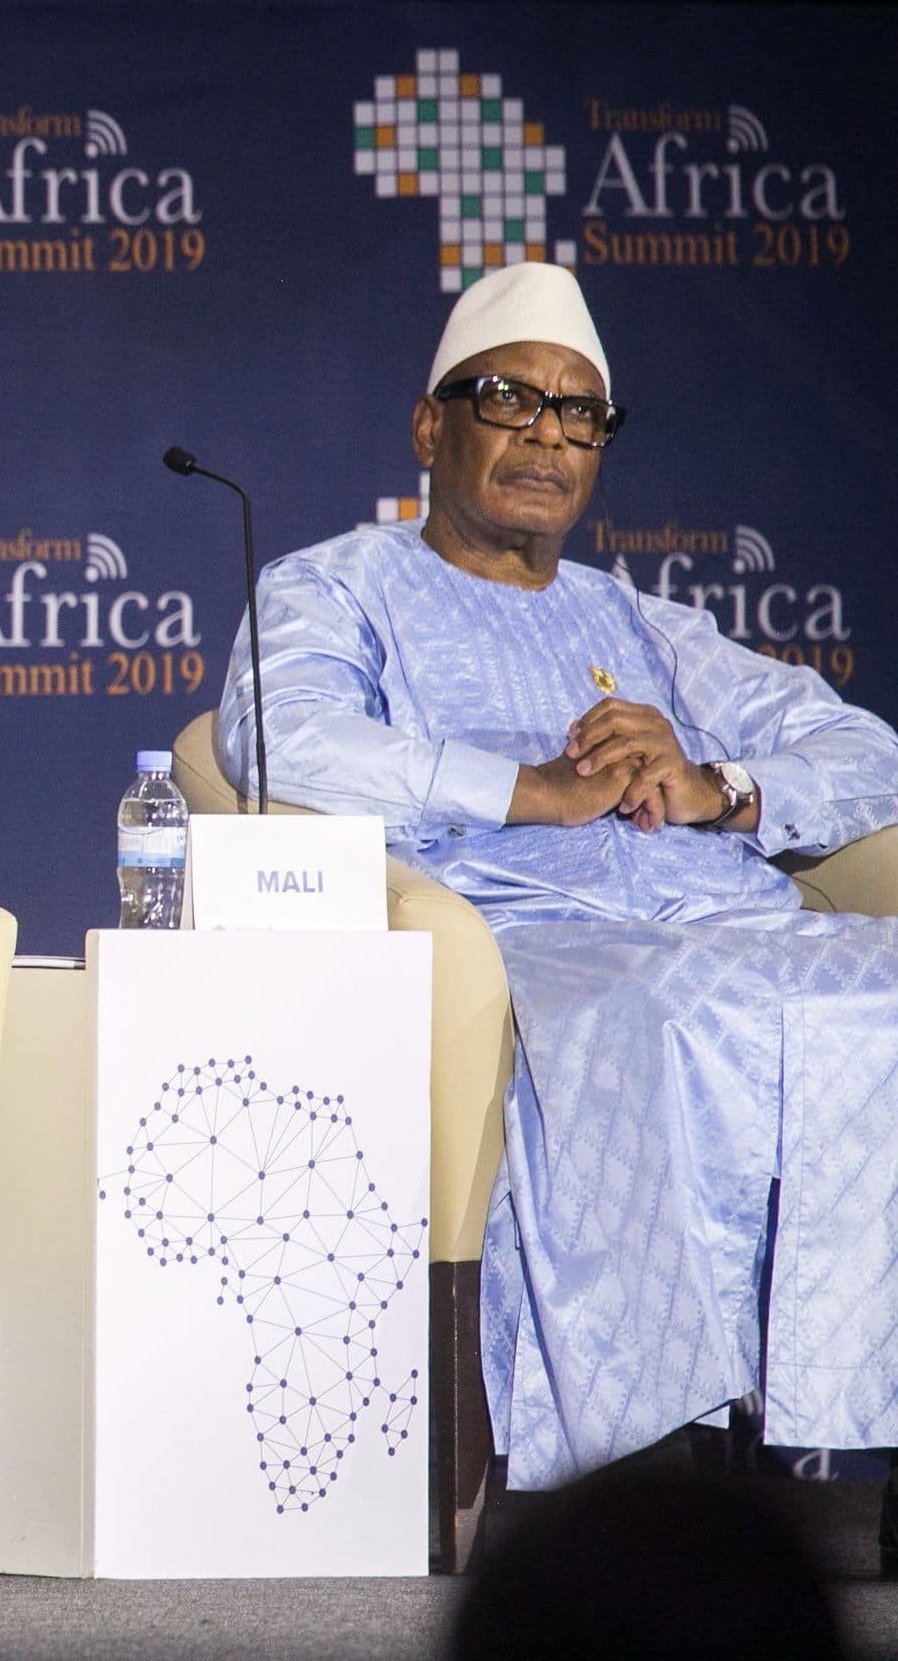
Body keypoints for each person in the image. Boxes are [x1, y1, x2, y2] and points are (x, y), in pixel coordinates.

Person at [217, 262, 898, 1491]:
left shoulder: (641, 624)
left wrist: (720, 784)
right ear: (432, 425)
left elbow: (865, 752)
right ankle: (664, 1458)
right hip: (527, 941)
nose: (547, 434)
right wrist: (525, 788)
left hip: (728, 917)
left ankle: (870, 1430)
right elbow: (281, 738)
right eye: (509, 400)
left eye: (580, 413)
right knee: (674, 1012)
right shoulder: (340, 586)